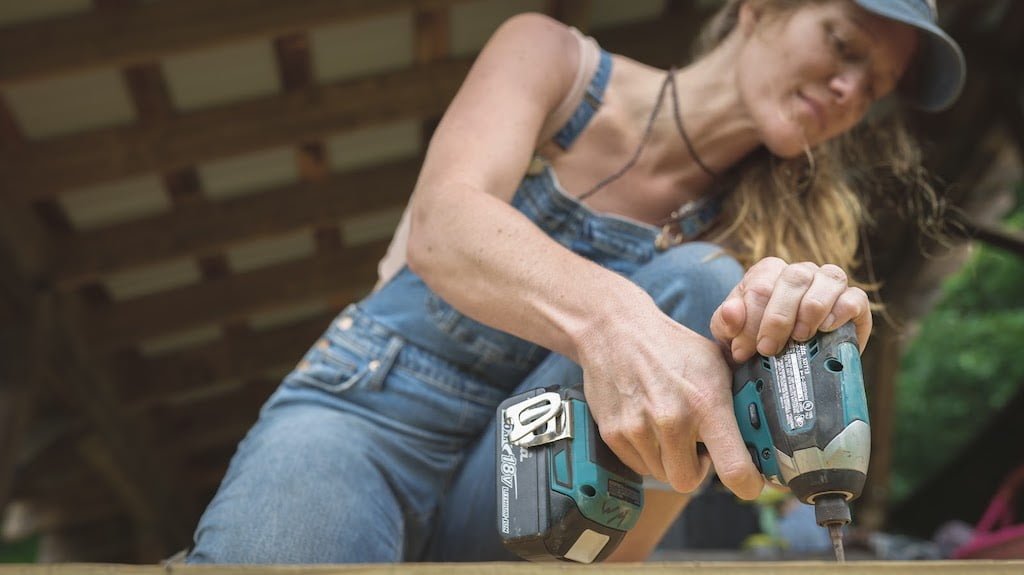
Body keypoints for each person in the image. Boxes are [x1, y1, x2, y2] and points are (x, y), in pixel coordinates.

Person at [187, 0, 965, 563]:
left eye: (876, 87)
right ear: (758, 7)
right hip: (371, 410)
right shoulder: (557, 61)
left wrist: (793, 326)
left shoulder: (760, 245)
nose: (851, 92)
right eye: (845, 44)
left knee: (704, 285)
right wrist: (615, 320)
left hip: (536, 487)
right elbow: (443, 225)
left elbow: (628, 543)